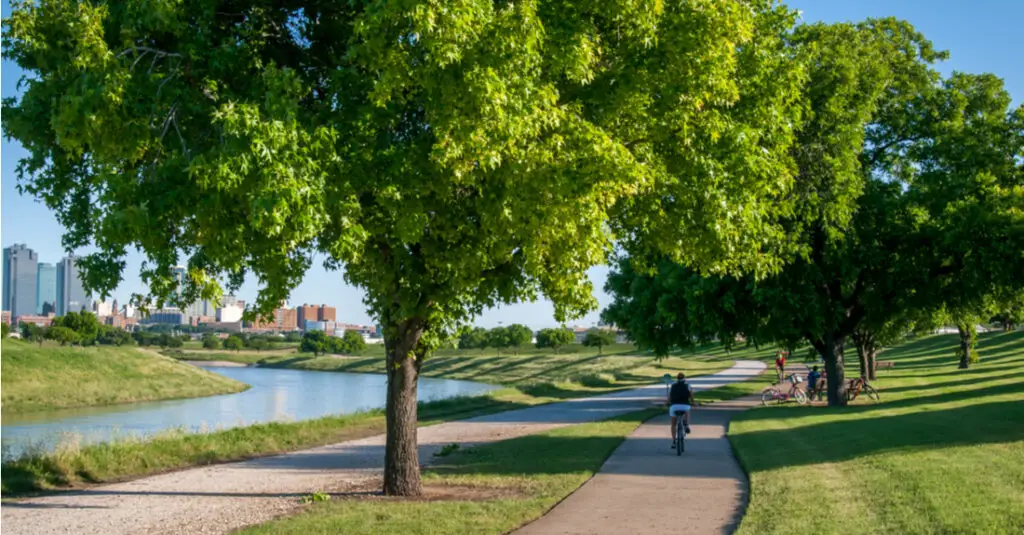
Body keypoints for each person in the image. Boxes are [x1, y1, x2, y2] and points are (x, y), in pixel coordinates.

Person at [667, 372, 694, 447]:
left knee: (673, 424)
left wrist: (667, 403)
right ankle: (687, 425)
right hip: (685, 405)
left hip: (674, 406)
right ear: (684, 378)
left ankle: (674, 441)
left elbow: (669, 397)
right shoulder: (688, 385)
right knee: (687, 411)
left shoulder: (673, 386)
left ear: (677, 379)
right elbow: (691, 395)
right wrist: (693, 402)